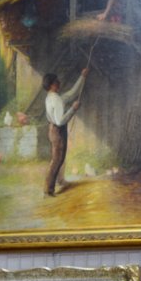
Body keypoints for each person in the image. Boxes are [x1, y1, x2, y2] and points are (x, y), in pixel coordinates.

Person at [42, 67, 87, 197]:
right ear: (52, 85)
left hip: (53, 130)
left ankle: (58, 182)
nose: (59, 82)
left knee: (58, 159)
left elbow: (72, 93)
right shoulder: (56, 99)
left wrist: (82, 76)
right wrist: (73, 109)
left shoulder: (52, 97)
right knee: (57, 160)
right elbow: (60, 121)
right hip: (58, 131)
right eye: (56, 81)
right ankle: (48, 190)